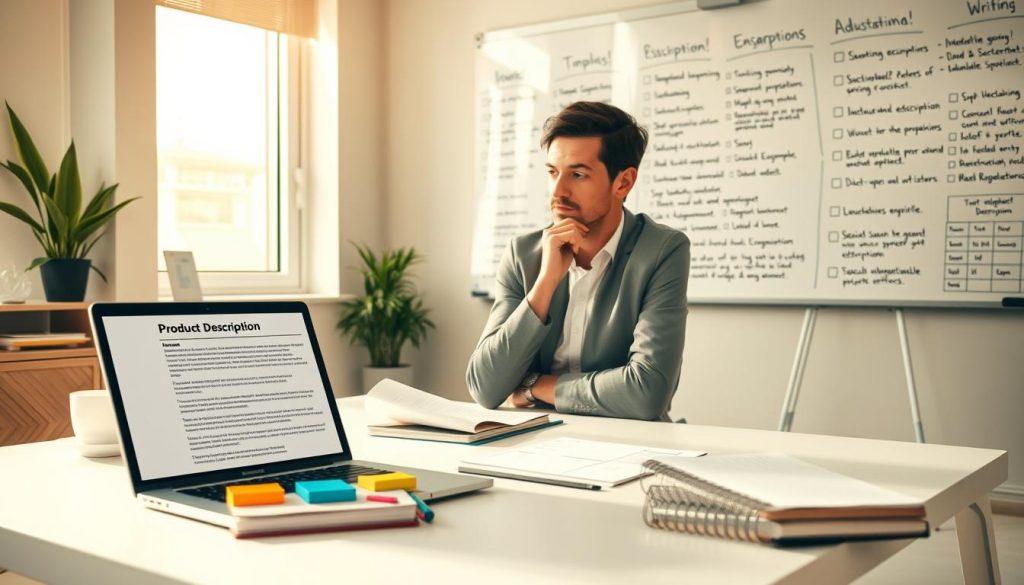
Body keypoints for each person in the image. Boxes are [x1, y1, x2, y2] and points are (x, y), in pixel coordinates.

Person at [465, 101, 690, 421]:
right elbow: (485, 387)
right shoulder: (522, 254)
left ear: (624, 182)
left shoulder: (662, 250)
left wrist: (532, 386)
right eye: (553, 173)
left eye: (578, 175)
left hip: (628, 442)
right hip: (536, 439)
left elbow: (646, 393)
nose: (558, 191)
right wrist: (545, 284)